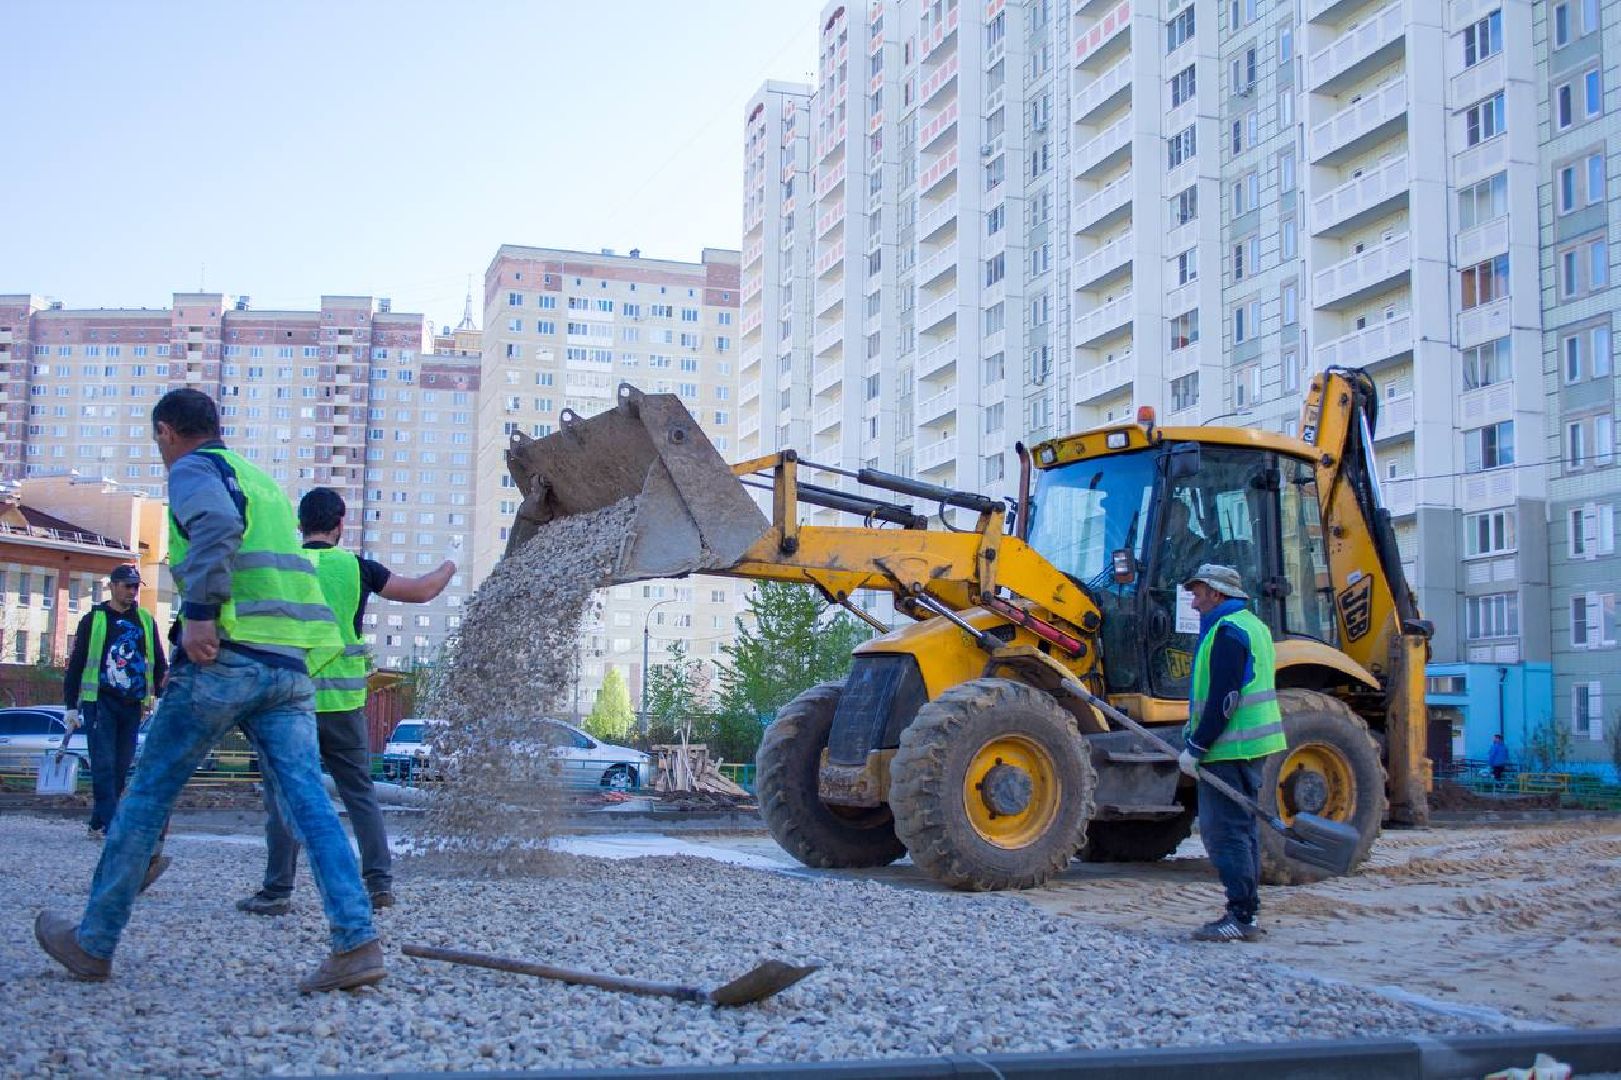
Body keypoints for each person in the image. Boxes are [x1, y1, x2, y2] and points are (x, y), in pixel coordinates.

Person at [34, 388, 384, 993]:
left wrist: (198, 615)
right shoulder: (261, 482)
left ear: (166, 432)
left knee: (147, 795)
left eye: (158, 440)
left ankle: (93, 943)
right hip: (289, 667)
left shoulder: (195, 469)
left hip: (224, 656)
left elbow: (217, 526)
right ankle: (355, 942)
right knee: (309, 802)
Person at [237, 487, 456, 917]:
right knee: (359, 794)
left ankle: (277, 890)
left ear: (300, 525)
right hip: (341, 704)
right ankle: (379, 884)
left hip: (285, 704)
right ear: (341, 525)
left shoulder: (281, 565)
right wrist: (450, 563)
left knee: (283, 796)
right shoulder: (357, 568)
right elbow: (421, 591)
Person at [1176, 563, 1287, 943]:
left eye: (1198, 594)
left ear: (1217, 593)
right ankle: (1246, 911)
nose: (1193, 603)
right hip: (1247, 746)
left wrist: (1197, 746)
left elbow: (1226, 697)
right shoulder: (1251, 625)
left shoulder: (1228, 632)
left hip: (1230, 747)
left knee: (1225, 832)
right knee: (1242, 829)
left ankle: (1240, 916)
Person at [62, 565, 168, 839]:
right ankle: (113, 826)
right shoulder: (94, 620)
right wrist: (70, 706)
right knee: (103, 764)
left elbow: (158, 661)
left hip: (132, 703)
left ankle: (97, 823)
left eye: (136, 586)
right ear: (112, 586)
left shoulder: (145, 620)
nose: (132, 591)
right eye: (127, 585)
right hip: (100, 702)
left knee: (121, 766)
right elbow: (77, 664)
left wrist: (160, 696)